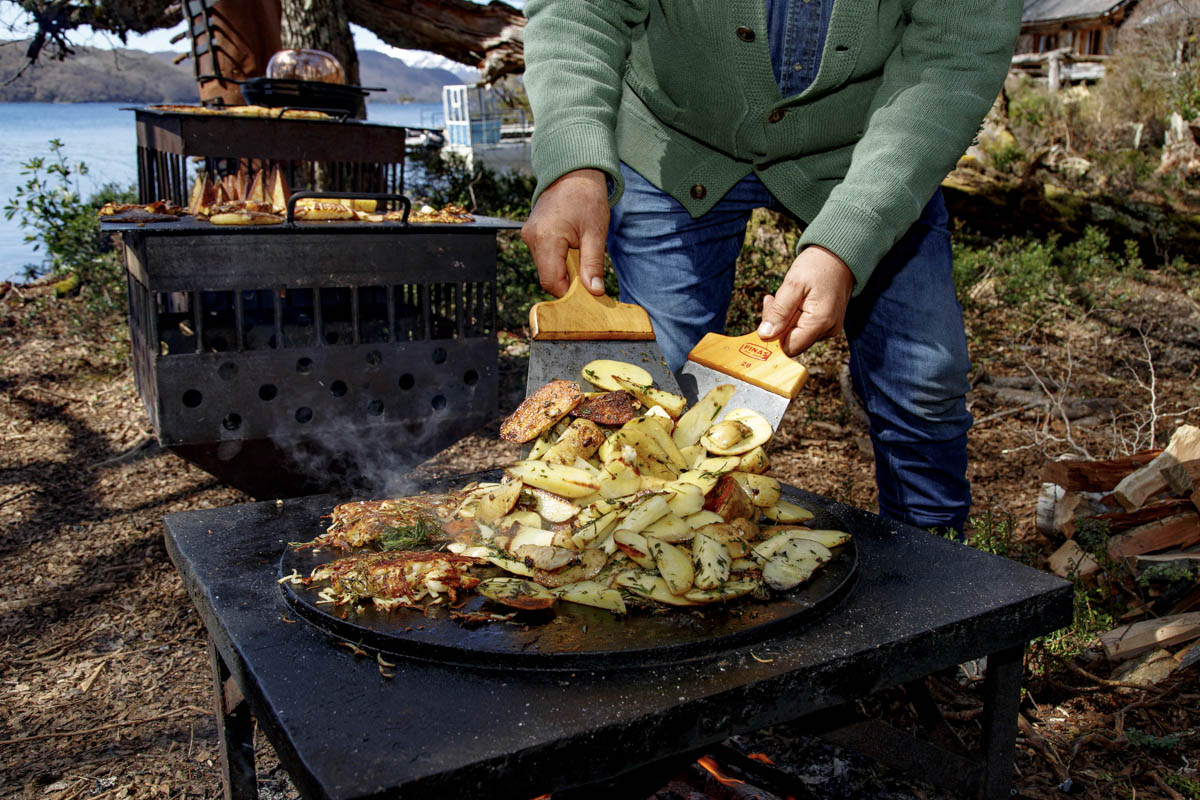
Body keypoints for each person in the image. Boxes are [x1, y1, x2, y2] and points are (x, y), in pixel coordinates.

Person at [519, 0, 1023, 535]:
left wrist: (846, 243)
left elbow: (951, 65)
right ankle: (637, 553)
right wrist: (572, 164)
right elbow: (579, 11)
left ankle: (936, 576)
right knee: (653, 388)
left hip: (873, 149)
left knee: (923, 385)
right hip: (671, 142)